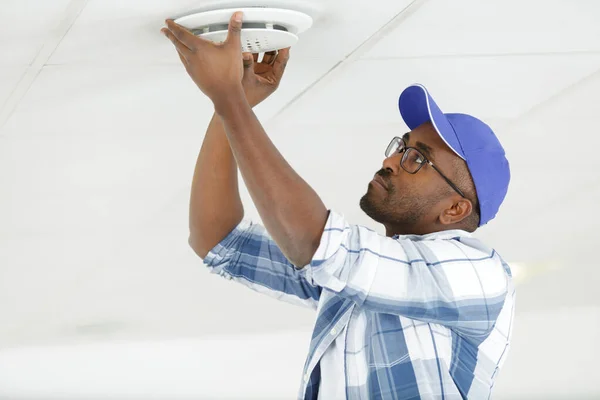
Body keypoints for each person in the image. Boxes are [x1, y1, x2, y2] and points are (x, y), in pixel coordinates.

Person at [162, 11, 515, 400]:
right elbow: (219, 241)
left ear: (455, 210)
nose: (390, 160)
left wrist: (230, 98)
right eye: (402, 146)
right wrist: (229, 105)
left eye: (418, 159)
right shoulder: (369, 277)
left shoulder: (478, 274)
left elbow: (319, 245)